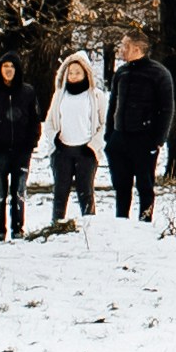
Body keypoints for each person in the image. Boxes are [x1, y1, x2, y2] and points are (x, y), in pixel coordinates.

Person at [0, 48, 48, 239]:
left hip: (22, 151)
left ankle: (18, 228)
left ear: (18, 70)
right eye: (5, 66)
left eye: (12, 67)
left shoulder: (27, 92)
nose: (8, 70)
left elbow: (35, 119)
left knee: (19, 193)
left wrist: (31, 143)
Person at [108, 38, 176, 223]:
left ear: (137, 48)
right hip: (120, 137)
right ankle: (121, 221)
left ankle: (145, 221)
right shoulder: (121, 72)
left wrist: (158, 139)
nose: (121, 49)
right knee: (121, 185)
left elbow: (167, 108)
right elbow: (113, 103)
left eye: (126, 46)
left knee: (145, 184)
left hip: (144, 138)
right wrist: (110, 134)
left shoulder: (159, 73)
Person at [44, 43, 106, 236]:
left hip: (85, 152)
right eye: (70, 73)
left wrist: (93, 146)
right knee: (60, 191)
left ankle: (89, 229)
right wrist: (55, 141)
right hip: (63, 151)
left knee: (85, 191)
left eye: (78, 73)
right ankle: (56, 227)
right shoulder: (59, 96)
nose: (73, 76)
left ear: (86, 73)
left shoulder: (96, 96)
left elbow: (104, 124)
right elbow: (50, 123)